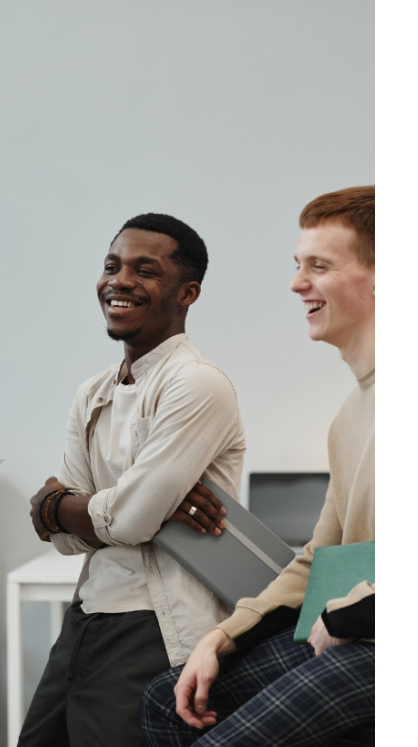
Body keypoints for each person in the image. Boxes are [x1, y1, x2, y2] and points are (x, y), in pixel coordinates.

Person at [140, 186, 375, 747]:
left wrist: (345, 620)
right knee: (164, 701)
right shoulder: (349, 417)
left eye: (318, 266)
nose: (297, 284)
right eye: (299, 266)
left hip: (363, 637)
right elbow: (320, 559)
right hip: (354, 632)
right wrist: (221, 637)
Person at [18, 214, 247, 747]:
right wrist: (61, 511)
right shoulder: (91, 392)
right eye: (112, 266)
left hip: (153, 627)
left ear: (187, 292)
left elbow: (129, 518)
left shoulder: (197, 384)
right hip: (88, 616)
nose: (119, 280)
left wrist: (69, 505)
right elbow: (68, 538)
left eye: (145, 270)